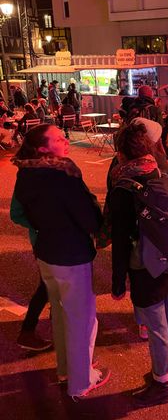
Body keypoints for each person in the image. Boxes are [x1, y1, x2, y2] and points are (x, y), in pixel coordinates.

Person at [11, 124, 108, 399]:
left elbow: (21, 212)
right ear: (43, 148)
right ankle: (81, 381)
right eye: (58, 138)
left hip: (46, 253)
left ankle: (66, 369)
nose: (65, 139)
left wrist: (47, 226)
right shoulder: (63, 174)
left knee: (62, 315)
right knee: (82, 320)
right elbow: (88, 218)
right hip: (71, 254)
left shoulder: (26, 173)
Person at [110, 123, 168, 407]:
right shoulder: (162, 173)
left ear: (121, 154)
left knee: (156, 328)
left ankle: (162, 383)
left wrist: (118, 282)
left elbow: (119, 241)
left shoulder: (123, 188)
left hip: (147, 268)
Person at [10, 194, 51, 351]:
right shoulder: (28, 178)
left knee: (49, 286)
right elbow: (16, 213)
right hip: (48, 242)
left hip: (48, 241)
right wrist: (40, 224)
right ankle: (27, 331)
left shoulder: (27, 177)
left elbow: (16, 213)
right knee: (48, 287)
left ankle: (30, 331)